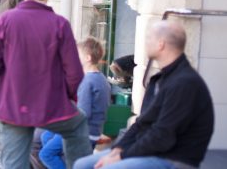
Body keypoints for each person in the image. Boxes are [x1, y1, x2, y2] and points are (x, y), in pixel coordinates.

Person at [0, 0, 92, 169]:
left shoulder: (6, 20)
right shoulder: (60, 24)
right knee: (77, 124)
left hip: (12, 104)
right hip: (50, 103)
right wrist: (66, 97)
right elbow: (75, 73)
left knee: (14, 164)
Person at [74, 21, 215, 169]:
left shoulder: (184, 83)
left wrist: (122, 156)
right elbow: (142, 123)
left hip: (174, 158)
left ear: (161, 44)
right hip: (153, 151)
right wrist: (118, 149)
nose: (145, 43)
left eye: (149, 38)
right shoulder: (162, 78)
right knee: (81, 164)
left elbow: (163, 135)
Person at [39, 37, 110, 169]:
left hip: (83, 132)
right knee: (46, 136)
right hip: (92, 129)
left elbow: (83, 114)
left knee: (46, 154)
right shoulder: (101, 78)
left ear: (88, 58)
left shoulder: (87, 81)